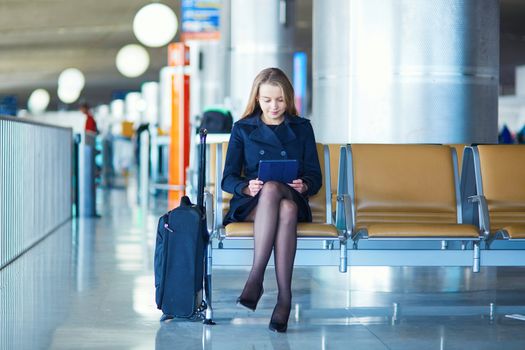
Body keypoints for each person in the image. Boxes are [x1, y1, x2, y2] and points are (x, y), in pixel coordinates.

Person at [221, 67, 322, 332]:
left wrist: (305, 184)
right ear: (256, 99)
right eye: (267, 100)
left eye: (279, 100)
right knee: (283, 208)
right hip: (253, 203)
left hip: (293, 194)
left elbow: (315, 176)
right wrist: (246, 187)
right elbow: (228, 178)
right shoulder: (242, 129)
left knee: (279, 192)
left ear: (288, 99)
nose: (274, 106)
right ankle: (284, 299)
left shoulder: (302, 128)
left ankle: (256, 277)